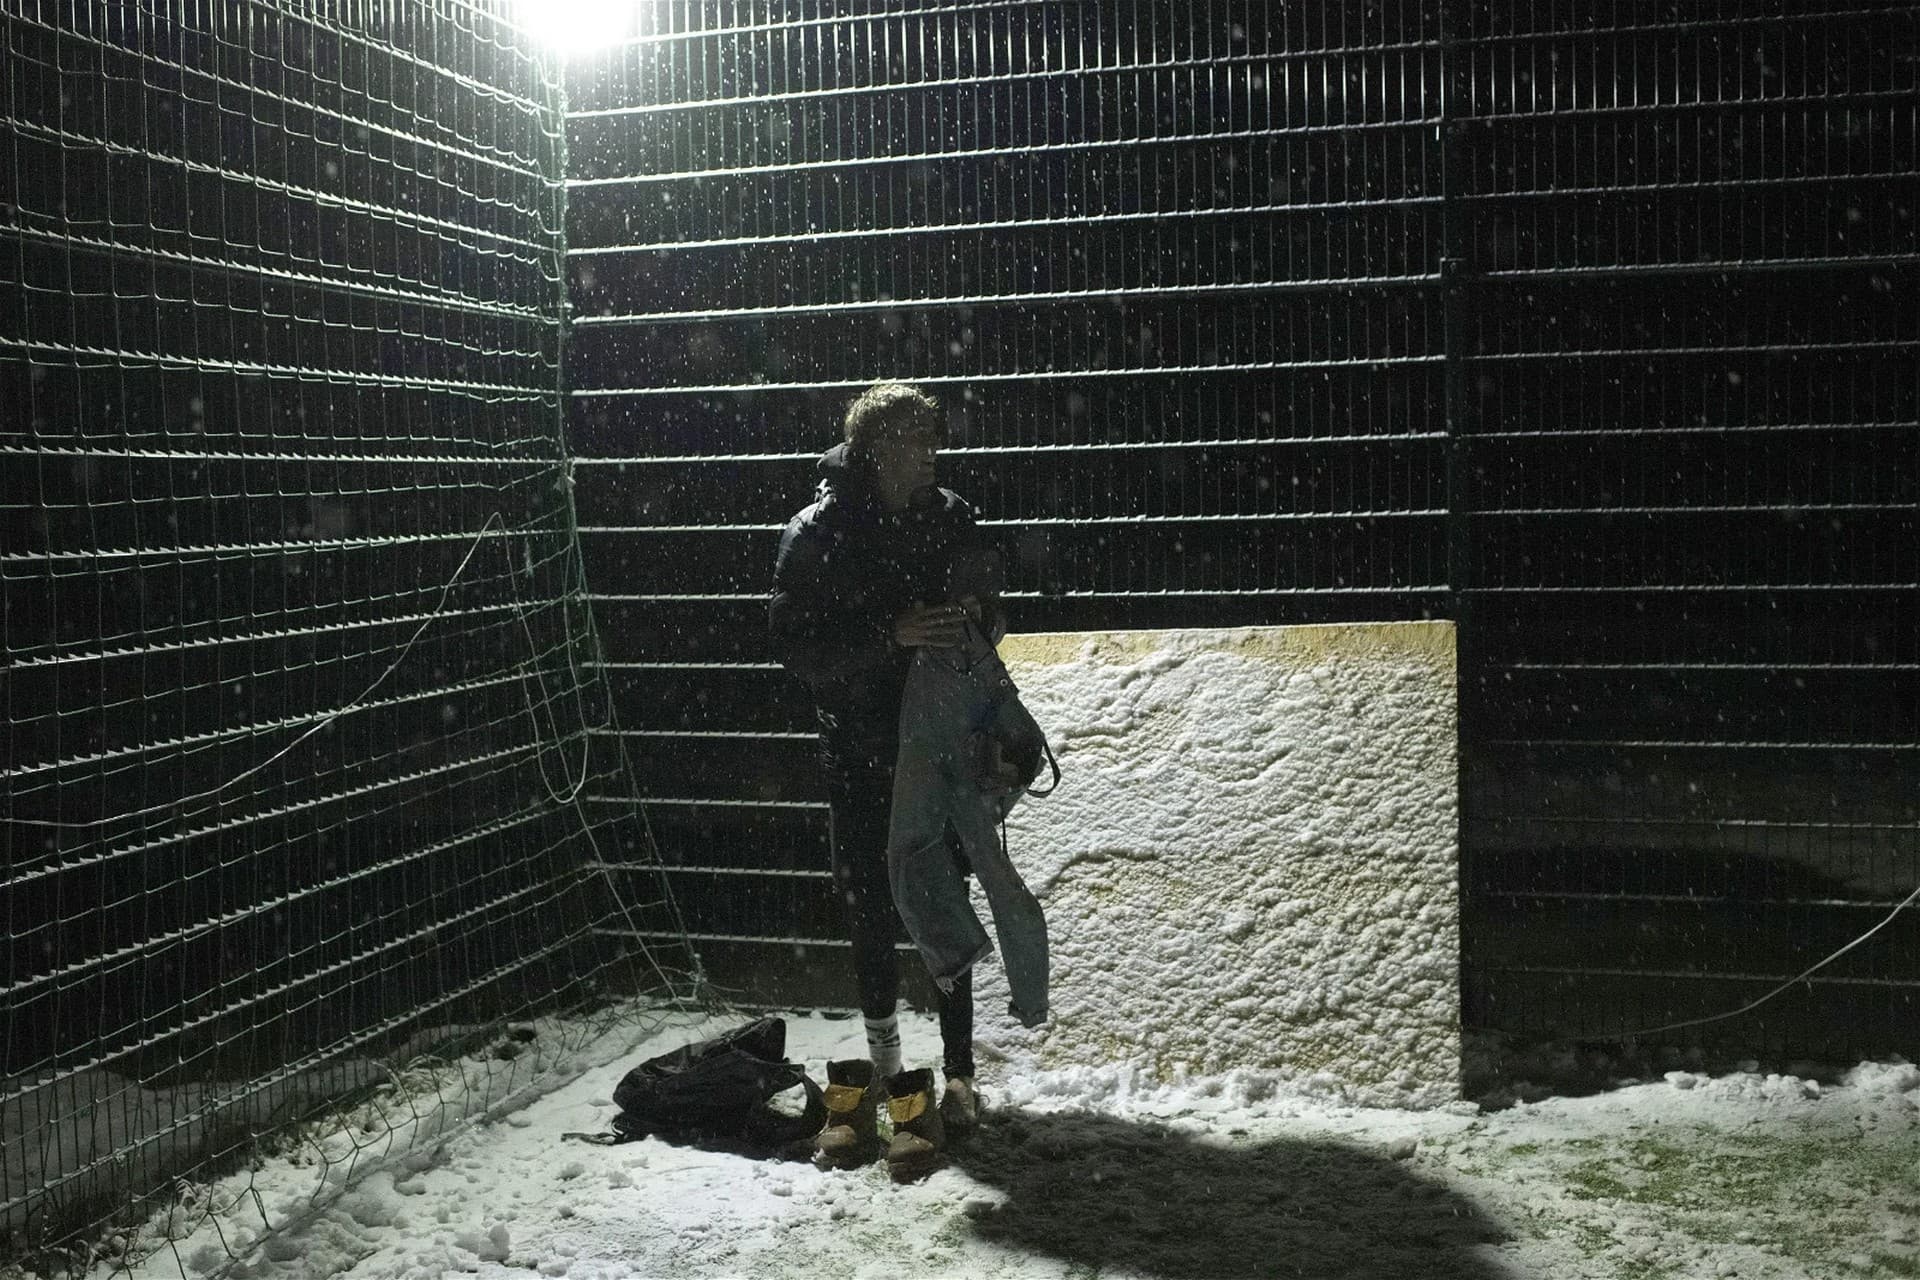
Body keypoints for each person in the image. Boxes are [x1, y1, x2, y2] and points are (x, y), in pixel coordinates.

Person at [768, 381, 1005, 1177]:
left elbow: (991, 607)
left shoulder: (951, 515)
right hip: (862, 750)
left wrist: (977, 617)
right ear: (871, 448)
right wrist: (890, 634)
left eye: (933, 436)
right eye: (913, 438)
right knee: (872, 903)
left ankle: (962, 1074)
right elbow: (799, 651)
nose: (930, 451)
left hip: (940, 745)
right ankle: (888, 1074)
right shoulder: (818, 532)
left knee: (946, 897)